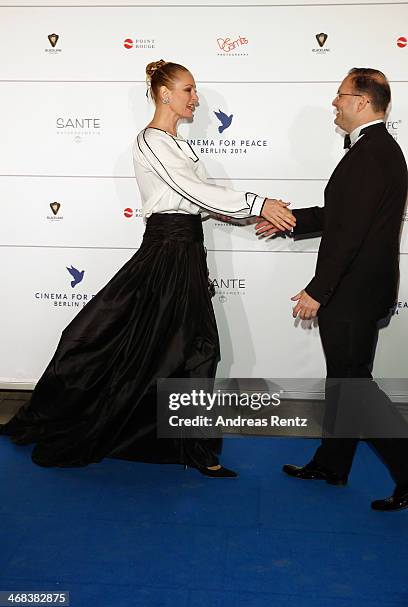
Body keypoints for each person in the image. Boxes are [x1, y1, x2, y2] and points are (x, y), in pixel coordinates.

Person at [0, 60, 295, 477]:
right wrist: (258, 203)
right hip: (164, 255)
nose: (196, 98)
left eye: (195, 91)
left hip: (186, 253)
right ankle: (69, 417)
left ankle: (195, 450)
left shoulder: (180, 145)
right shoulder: (151, 141)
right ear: (164, 94)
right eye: (189, 90)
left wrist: (253, 215)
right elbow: (191, 191)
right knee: (114, 338)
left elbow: (202, 203)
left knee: (197, 350)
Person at [257, 68, 408, 510]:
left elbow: (349, 235)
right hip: (358, 291)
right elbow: (339, 216)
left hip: (351, 293)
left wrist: (318, 290)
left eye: (340, 96)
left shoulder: (372, 153)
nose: (334, 103)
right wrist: (288, 220)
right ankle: (333, 463)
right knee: (345, 381)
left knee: (355, 384)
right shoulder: (375, 150)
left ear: (362, 101)